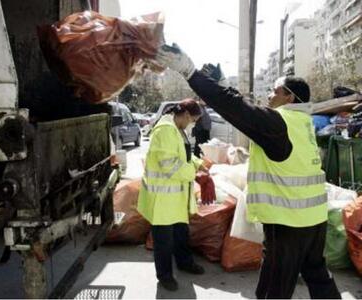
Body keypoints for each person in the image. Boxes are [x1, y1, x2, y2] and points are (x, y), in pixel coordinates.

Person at [154, 45, 341, 299]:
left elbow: (235, 107)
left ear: (290, 98)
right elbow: (246, 108)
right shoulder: (303, 123)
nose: (269, 96)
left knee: (275, 288)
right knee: (318, 277)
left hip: (289, 223)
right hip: (315, 220)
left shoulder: (279, 123)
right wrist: (218, 83)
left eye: (275, 92)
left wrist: (191, 73)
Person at [137, 98, 209, 291]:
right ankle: (165, 276)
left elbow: (183, 156)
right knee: (163, 241)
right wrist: (196, 174)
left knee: (181, 233)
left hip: (175, 197)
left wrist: (198, 163)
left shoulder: (177, 129)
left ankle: (185, 263)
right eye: (193, 120)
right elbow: (170, 165)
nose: (192, 124)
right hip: (163, 198)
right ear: (185, 115)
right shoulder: (166, 130)